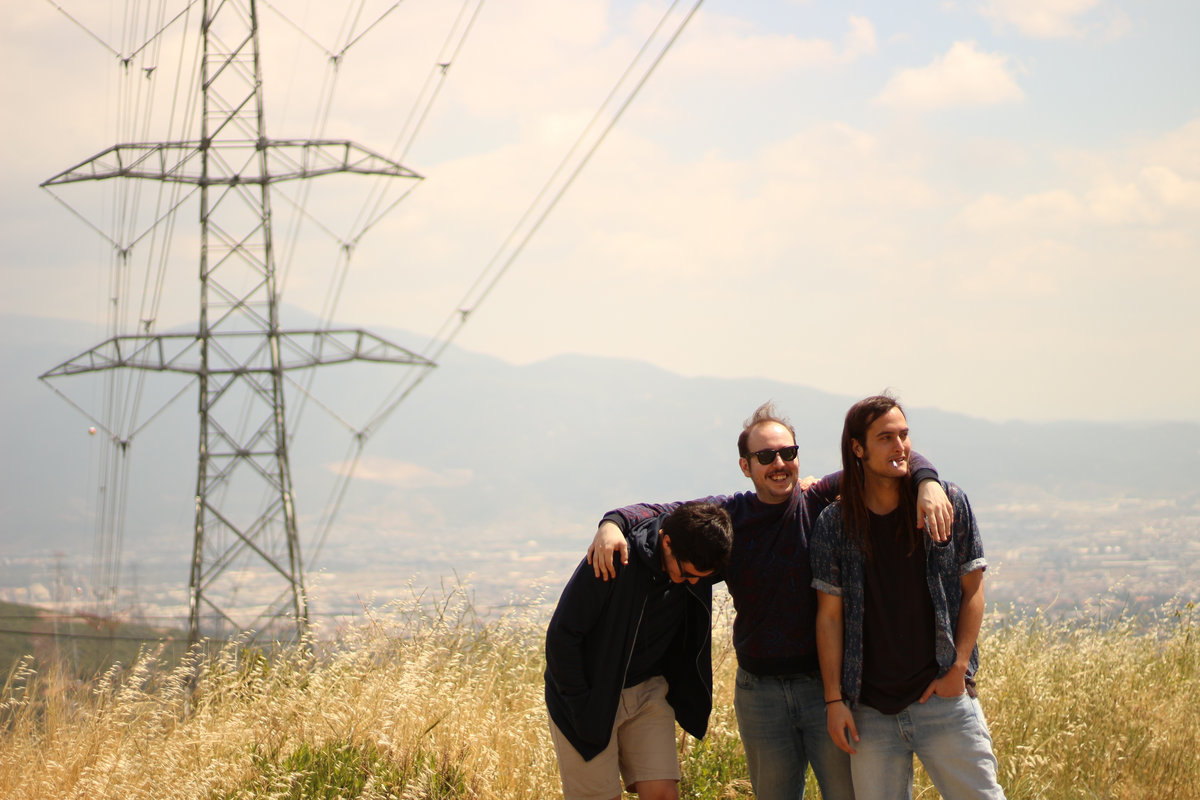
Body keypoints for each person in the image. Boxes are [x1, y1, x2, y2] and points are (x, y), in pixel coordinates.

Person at [588, 401, 954, 800]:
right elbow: (662, 512)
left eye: (788, 453)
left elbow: (886, 458)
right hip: (759, 694)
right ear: (745, 466)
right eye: (765, 457)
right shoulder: (729, 516)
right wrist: (613, 523)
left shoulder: (818, 501)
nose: (779, 464)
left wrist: (927, 482)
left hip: (827, 690)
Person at [811, 394, 1006, 799]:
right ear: (858, 448)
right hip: (870, 712)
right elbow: (829, 617)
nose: (899, 446)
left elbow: (973, 589)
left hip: (943, 698)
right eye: (885, 438)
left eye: (903, 435)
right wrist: (834, 700)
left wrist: (959, 668)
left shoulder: (947, 502)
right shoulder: (835, 523)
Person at [546, 501, 734, 800]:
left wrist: (808, 491)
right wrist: (580, 707)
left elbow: (740, 503)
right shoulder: (614, 559)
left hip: (648, 691)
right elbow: (562, 636)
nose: (693, 583)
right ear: (667, 542)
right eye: (687, 574)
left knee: (663, 795)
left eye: (701, 577)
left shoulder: (699, 538)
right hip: (589, 697)